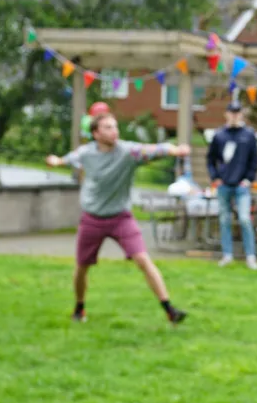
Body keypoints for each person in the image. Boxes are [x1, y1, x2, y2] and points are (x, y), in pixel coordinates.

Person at [45, 113, 190, 325]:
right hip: (92, 219)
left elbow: (153, 149)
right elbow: (67, 159)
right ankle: (79, 307)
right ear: (96, 133)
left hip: (121, 218)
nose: (114, 131)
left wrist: (174, 150)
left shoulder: (128, 152)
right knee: (82, 266)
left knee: (142, 259)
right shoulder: (86, 153)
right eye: (107, 127)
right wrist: (56, 161)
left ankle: (170, 310)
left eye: (115, 126)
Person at [207, 102, 257, 270]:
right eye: (232, 112)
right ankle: (227, 255)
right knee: (224, 220)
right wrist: (215, 177)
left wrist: (248, 179)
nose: (235, 116)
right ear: (226, 114)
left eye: (237, 113)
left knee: (245, 219)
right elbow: (210, 159)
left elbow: (255, 160)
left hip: (241, 186)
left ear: (241, 115)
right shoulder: (219, 135)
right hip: (224, 185)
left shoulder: (248, 135)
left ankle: (251, 256)